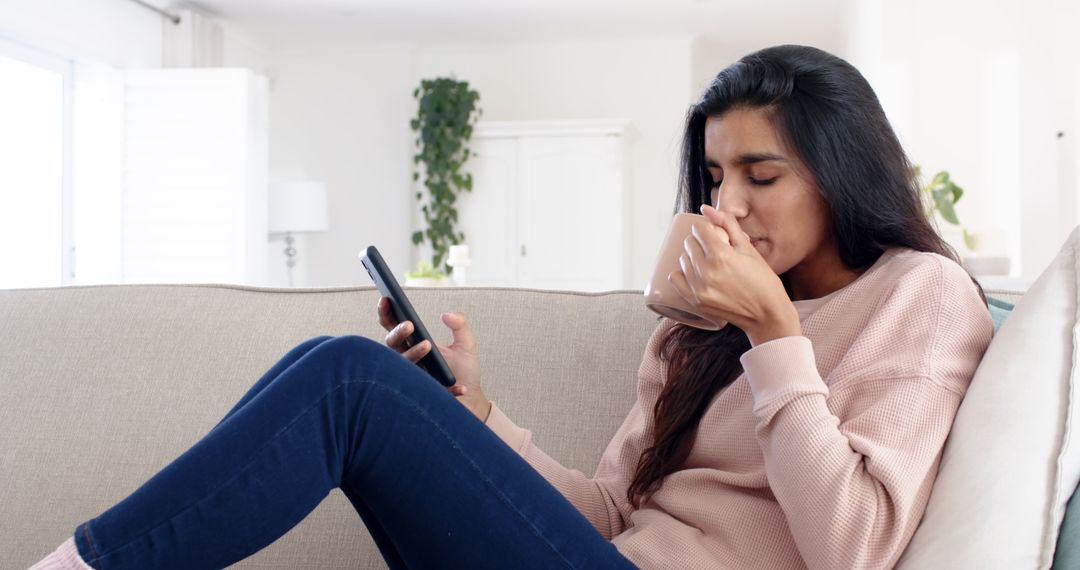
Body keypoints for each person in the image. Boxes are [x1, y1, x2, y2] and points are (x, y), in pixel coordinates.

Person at [31, 44, 992, 570]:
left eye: (762, 174)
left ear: (839, 174)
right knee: (337, 370)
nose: (725, 206)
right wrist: (481, 419)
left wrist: (775, 337)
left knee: (347, 382)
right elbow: (613, 513)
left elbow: (856, 549)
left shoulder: (920, 295)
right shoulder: (698, 329)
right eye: (711, 176)